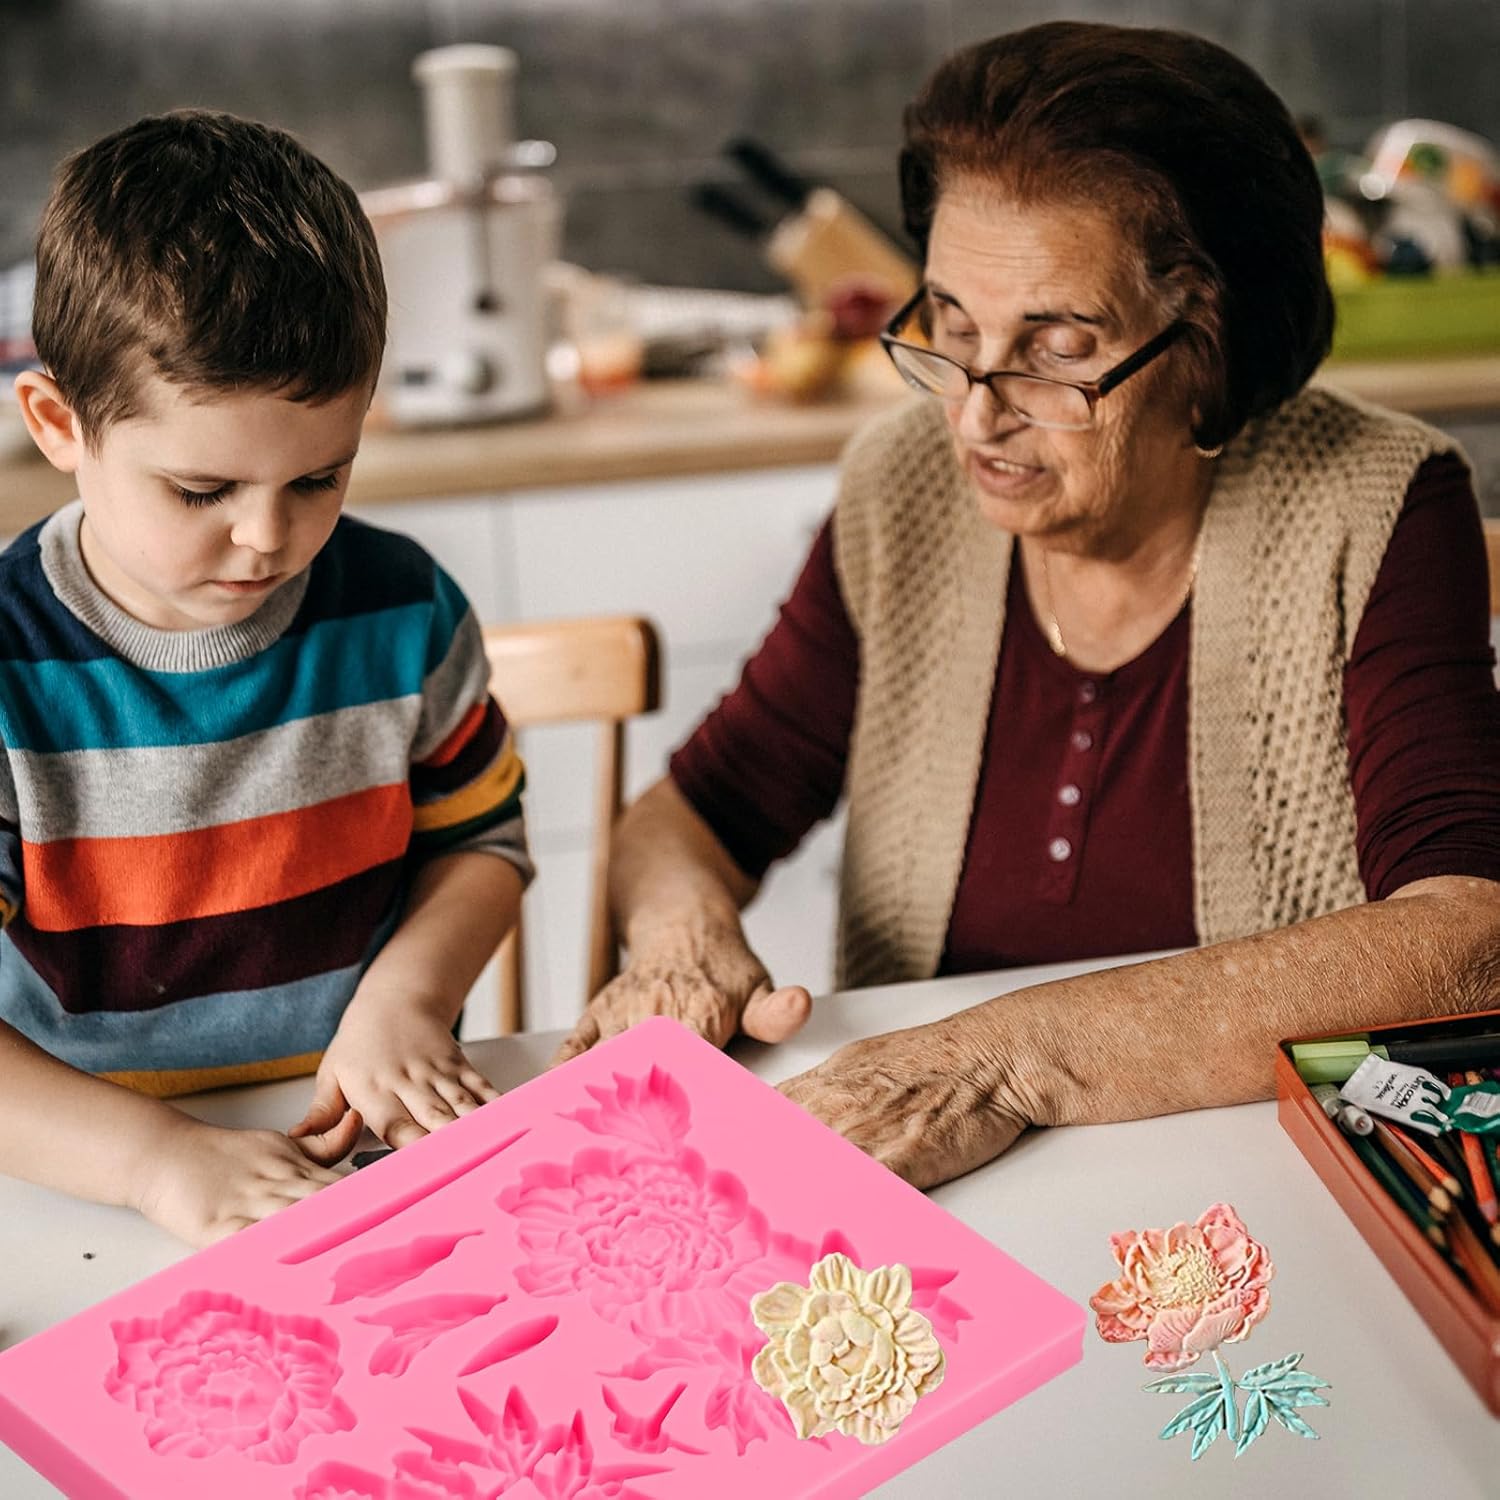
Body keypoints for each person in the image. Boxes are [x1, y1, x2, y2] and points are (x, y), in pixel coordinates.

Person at [559, 22, 1500, 1186]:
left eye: (1055, 347)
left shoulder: (1377, 504)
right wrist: (680, 938)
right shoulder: (903, 488)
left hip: (1253, 1193)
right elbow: (696, 815)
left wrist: (1003, 1065)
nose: (972, 416)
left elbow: (1469, 932)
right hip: (934, 1194)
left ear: (1204, 345)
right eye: (952, 326)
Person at [1, 111, 532, 1246]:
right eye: (201, 492)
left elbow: (480, 842)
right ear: (58, 423)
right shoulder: (10, 675)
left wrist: (409, 999)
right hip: (79, 1177)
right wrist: (155, 1165)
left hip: (348, 1147)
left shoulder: (403, 610)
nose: (267, 537)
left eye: (319, 478)